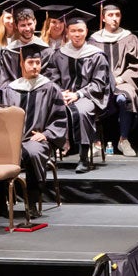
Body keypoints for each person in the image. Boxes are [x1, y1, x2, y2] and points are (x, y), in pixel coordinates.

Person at [0, 39, 68, 217]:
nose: (35, 67)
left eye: (38, 63)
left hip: (36, 139)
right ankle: (0, 203)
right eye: (31, 63)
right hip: (12, 141)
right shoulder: (9, 89)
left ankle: (31, 201)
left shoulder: (50, 88)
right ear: (22, 63)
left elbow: (59, 118)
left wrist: (47, 134)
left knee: (33, 152)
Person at [45, 9, 111, 173]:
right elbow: (52, 79)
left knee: (82, 111)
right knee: (46, 108)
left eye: (80, 31)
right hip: (64, 96)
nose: (77, 34)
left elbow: (99, 83)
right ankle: (47, 155)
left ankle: (83, 159)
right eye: (73, 31)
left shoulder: (96, 55)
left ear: (86, 32)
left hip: (88, 97)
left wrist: (78, 94)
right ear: (67, 32)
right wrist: (61, 93)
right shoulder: (59, 54)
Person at [88, 0, 138, 157]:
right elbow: (89, 65)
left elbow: (136, 64)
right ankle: (96, 143)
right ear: (103, 17)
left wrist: (120, 78)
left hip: (123, 81)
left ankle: (123, 140)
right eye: (110, 15)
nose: (114, 19)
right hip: (100, 82)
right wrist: (103, 80)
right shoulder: (94, 40)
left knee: (125, 98)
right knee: (91, 98)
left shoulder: (129, 38)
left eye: (117, 15)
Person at [0, 0, 43, 86]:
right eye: (23, 25)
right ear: (16, 26)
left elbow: (49, 79)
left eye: (29, 24)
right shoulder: (10, 51)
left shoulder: (45, 49)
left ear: (35, 22)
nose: (27, 29)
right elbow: (4, 79)